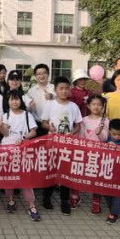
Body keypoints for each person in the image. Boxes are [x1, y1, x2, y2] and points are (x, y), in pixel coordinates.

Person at [40, 76, 82, 214]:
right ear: (55, 90)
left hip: (67, 145)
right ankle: (46, 198)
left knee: (66, 173)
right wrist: (49, 128)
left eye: (66, 88)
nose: (64, 91)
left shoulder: (73, 106)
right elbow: (43, 122)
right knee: (50, 171)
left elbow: (78, 125)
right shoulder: (50, 104)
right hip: (52, 143)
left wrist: (72, 132)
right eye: (61, 88)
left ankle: (65, 201)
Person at [0, 89, 41, 221]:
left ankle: (32, 205)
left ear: (21, 100)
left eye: (16, 99)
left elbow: (34, 132)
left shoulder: (27, 115)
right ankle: (10, 201)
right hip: (7, 150)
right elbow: (5, 134)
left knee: (26, 179)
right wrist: (0, 127)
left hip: (23, 150)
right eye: (11, 99)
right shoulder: (5, 115)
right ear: (8, 101)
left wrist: (23, 137)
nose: (14, 102)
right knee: (8, 177)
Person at [78, 94, 110, 215]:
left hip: (99, 154)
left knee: (97, 179)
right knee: (79, 175)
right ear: (88, 105)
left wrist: (99, 133)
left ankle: (96, 202)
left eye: (99, 105)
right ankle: (75, 197)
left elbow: (105, 138)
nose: (96, 107)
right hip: (85, 152)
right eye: (93, 104)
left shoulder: (105, 120)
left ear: (103, 106)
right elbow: (81, 136)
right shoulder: (84, 120)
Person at [104, 119, 120, 224]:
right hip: (108, 172)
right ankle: (113, 208)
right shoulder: (106, 140)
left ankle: (114, 213)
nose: (116, 137)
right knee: (106, 192)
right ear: (109, 131)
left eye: (119, 135)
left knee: (119, 192)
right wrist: (107, 146)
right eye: (114, 134)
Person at [27, 63, 55, 132]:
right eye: (39, 74)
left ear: (48, 74)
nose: (42, 76)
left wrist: (52, 96)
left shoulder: (54, 88)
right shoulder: (31, 91)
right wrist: (30, 106)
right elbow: (27, 109)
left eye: (44, 73)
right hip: (37, 124)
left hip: (53, 124)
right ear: (35, 76)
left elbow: (63, 101)